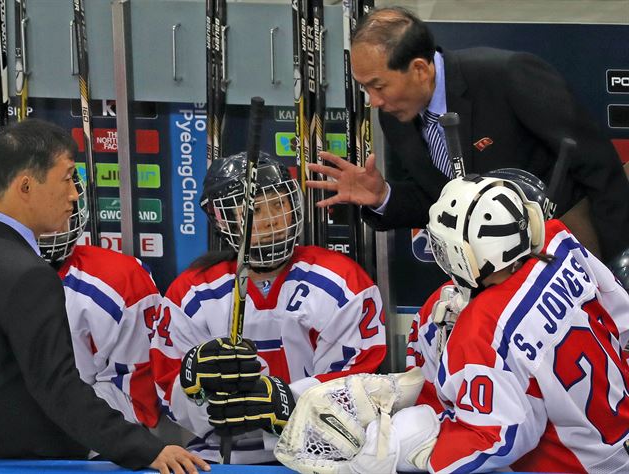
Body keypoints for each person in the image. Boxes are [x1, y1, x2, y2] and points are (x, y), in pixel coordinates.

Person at [273, 173, 629, 473]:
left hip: (578, 465)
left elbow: (499, 438)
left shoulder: (481, 329)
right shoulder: (559, 242)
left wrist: (412, 450)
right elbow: (620, 316)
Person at [307, 6, 629, 264]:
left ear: (420, 69)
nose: (373, 101)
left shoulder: (507, 76)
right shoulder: (395, 118)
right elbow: (438, 199)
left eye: (378, 86)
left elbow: (599, 168)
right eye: (364, 88)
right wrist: (383, 197)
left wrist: (619, 265)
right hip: (485, 272)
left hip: (563, 244)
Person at [0, 119, 208, 473]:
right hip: (30, 463)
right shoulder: (30, 275)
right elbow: (56, 386)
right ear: (26, 186)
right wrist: (143, 449)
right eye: (66, 178)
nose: (75, 194)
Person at [150, 152, 387, 464]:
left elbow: (359, 383)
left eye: (279, 204)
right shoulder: (192, 293)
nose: (272, 218)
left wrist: (286, 399)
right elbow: (168, 390)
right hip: (220, 456)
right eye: (255, 209)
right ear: (223, 219)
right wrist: (197, 385)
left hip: (322, 453)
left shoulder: (341, 281)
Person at [36, 173, 162, 428]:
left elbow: (136, 402)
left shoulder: (120, 279)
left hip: (83, 448)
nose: (70, 198)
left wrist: (46, 430)